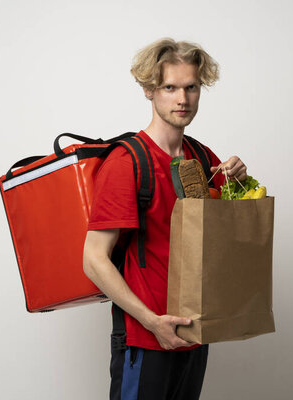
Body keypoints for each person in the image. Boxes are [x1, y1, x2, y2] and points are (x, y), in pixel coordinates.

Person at [83, 38, 248, 400]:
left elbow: (230, 238)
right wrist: (151, 321)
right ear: (148, 90)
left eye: (191, 87)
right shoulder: (128, 163)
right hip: (147, 337)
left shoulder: (203, 158)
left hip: (194, 333)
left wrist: (241, 179)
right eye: (169, 87)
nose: (182, 99)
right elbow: (93, 259)